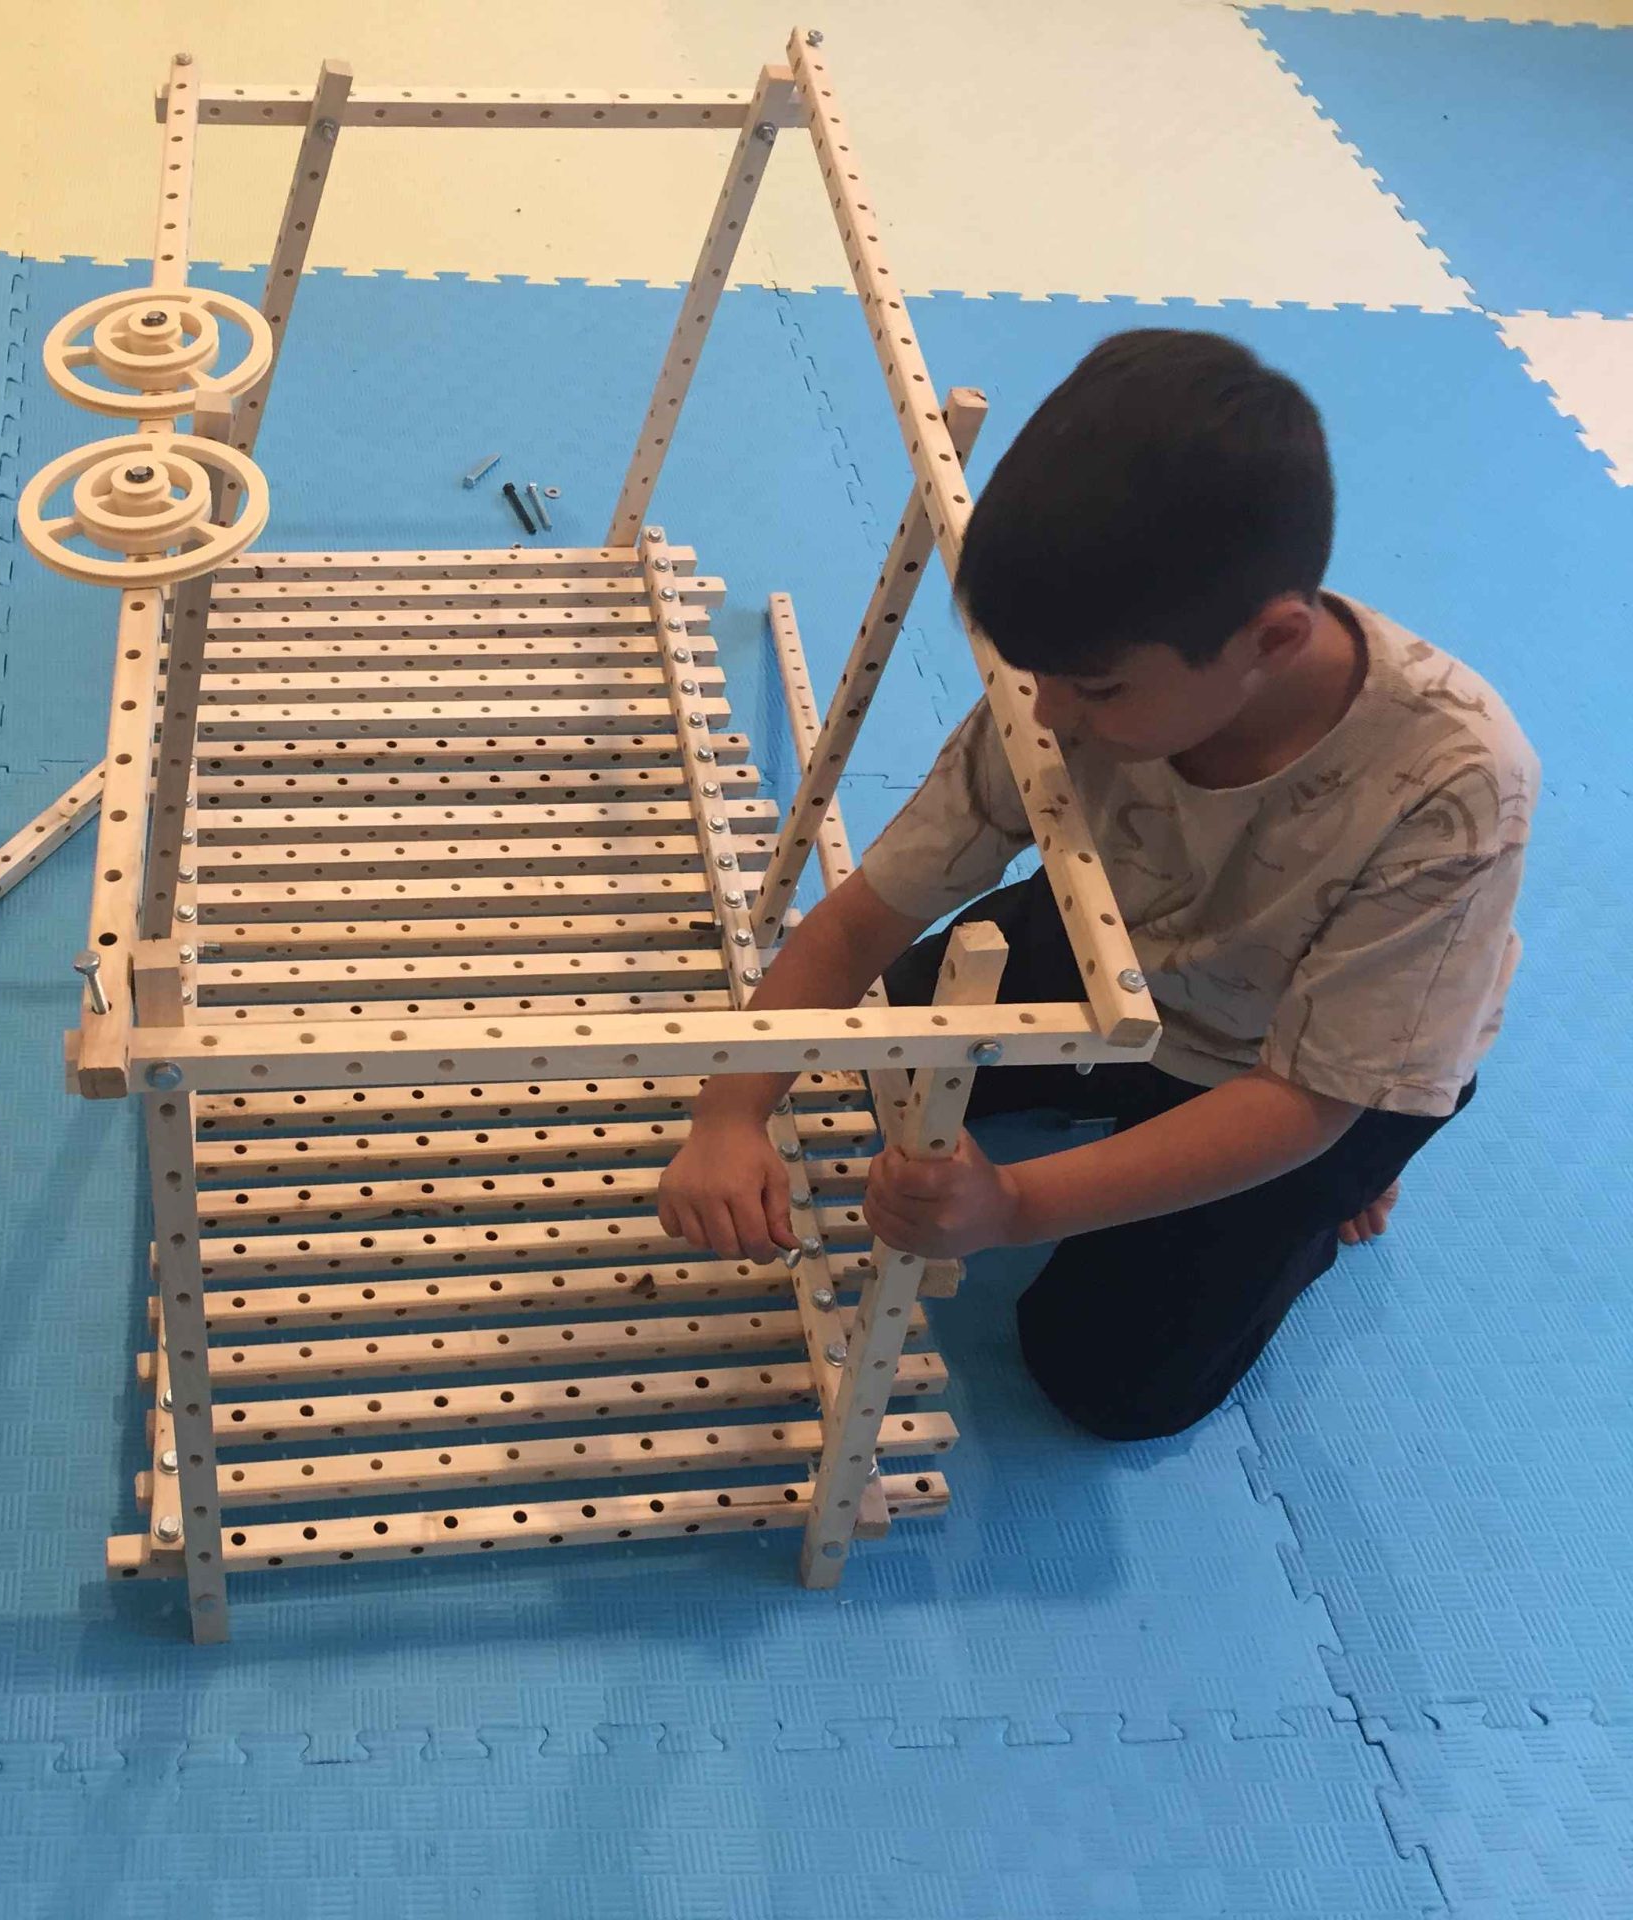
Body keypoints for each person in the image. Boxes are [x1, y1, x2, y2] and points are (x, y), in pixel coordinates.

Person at [655, 329, 1536, 1442]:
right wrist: (728, 1113)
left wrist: (1014, 1204)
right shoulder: (1080, 665)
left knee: (1107, 1383)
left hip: (1298, 1067)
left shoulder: (1454, 785)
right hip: (1118, 936)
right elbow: (862, 918)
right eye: (1031, 674)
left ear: (1272, 641)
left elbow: (1302, 1103)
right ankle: (1127, 1097)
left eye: (1095, 691)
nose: (1051, 714)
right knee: (873, 1061)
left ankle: (1333, 1199)